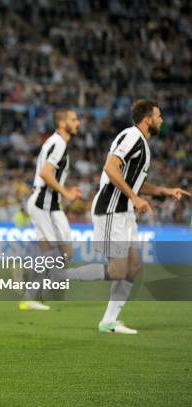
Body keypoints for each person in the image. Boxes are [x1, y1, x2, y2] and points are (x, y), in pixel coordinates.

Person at [58, 100, 189, 333]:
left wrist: (165, 191)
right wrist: (135, 197)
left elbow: (136, 183)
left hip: (125, 211)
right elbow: (111, 167)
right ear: (147, 119)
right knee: (118, 270)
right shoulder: (132, 137)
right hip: (111, 208)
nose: (162, 120)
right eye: (158, 116)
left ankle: (108, 321)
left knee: (134, 267)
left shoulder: (142, 144)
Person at [21, 109, 82, 311]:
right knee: (49, 251)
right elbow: (46, 173)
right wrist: (66, 192)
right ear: (62, 123)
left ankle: (48, 287)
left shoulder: (58, 143)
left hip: (52, 204)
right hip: (42, 203)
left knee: (66, 251)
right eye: (73, 120)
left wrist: (64, 192)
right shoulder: (58, 143)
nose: (78, 123)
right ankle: (30, 295)